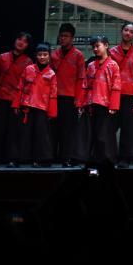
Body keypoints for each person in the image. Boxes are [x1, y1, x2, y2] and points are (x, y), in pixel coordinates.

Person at [0, 32, 33, 166]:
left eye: (25, 41)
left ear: (27, 45)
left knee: (14, 131)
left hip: (16, 101)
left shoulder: (28, 62)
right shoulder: (2, 57)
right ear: (15, 40)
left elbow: (27, 85)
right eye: (19, 39)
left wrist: (22, 103)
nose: (21, 42)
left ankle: (12, 159)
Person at [78, 35, 121, 166]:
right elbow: (85, 85)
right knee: (90, 133)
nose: (95, 49)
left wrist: (113, 106)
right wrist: (81, 103)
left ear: (106, 45)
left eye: (97, 46)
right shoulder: (91, 65)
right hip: (91, 103)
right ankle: (90, 159)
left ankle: (107, 160)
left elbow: (116, 86)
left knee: (104, 134)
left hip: (105, 104)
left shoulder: (113, 65)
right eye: (93, 47)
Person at [110, 22, 133, 166]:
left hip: (130, 95)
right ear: (121, 31)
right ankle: (109, 156)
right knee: (109, 127)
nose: (128, 33)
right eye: (126, 30)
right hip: (113, 93)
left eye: (131, 32)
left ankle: (124, 158)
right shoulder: (111, 52)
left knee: (128, 128)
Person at [17, 43, 58, 167]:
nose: (42, 57)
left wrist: (52, 112)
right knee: (25, 133)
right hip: (27, 105)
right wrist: (16, 104)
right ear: (36, 55)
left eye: (45, 55)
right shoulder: (28, 69)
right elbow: (20, 87)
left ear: (49, 56)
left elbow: (53, 94)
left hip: (42, 108)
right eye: (40, 55)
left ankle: (42, 159)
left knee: (41, 134)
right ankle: (23, 158)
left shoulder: (51, 73)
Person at [51, 23, 85, 167]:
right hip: (54, 97)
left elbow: (81, 79)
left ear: (72, 38)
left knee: (68, 130)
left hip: (70, 98)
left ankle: (66, 158)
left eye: (66, 36)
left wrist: (79, 99)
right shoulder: (54, 54)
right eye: (61, 36)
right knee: (53, 128)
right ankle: (51, 156)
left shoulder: (78, 55)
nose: (63, 38)